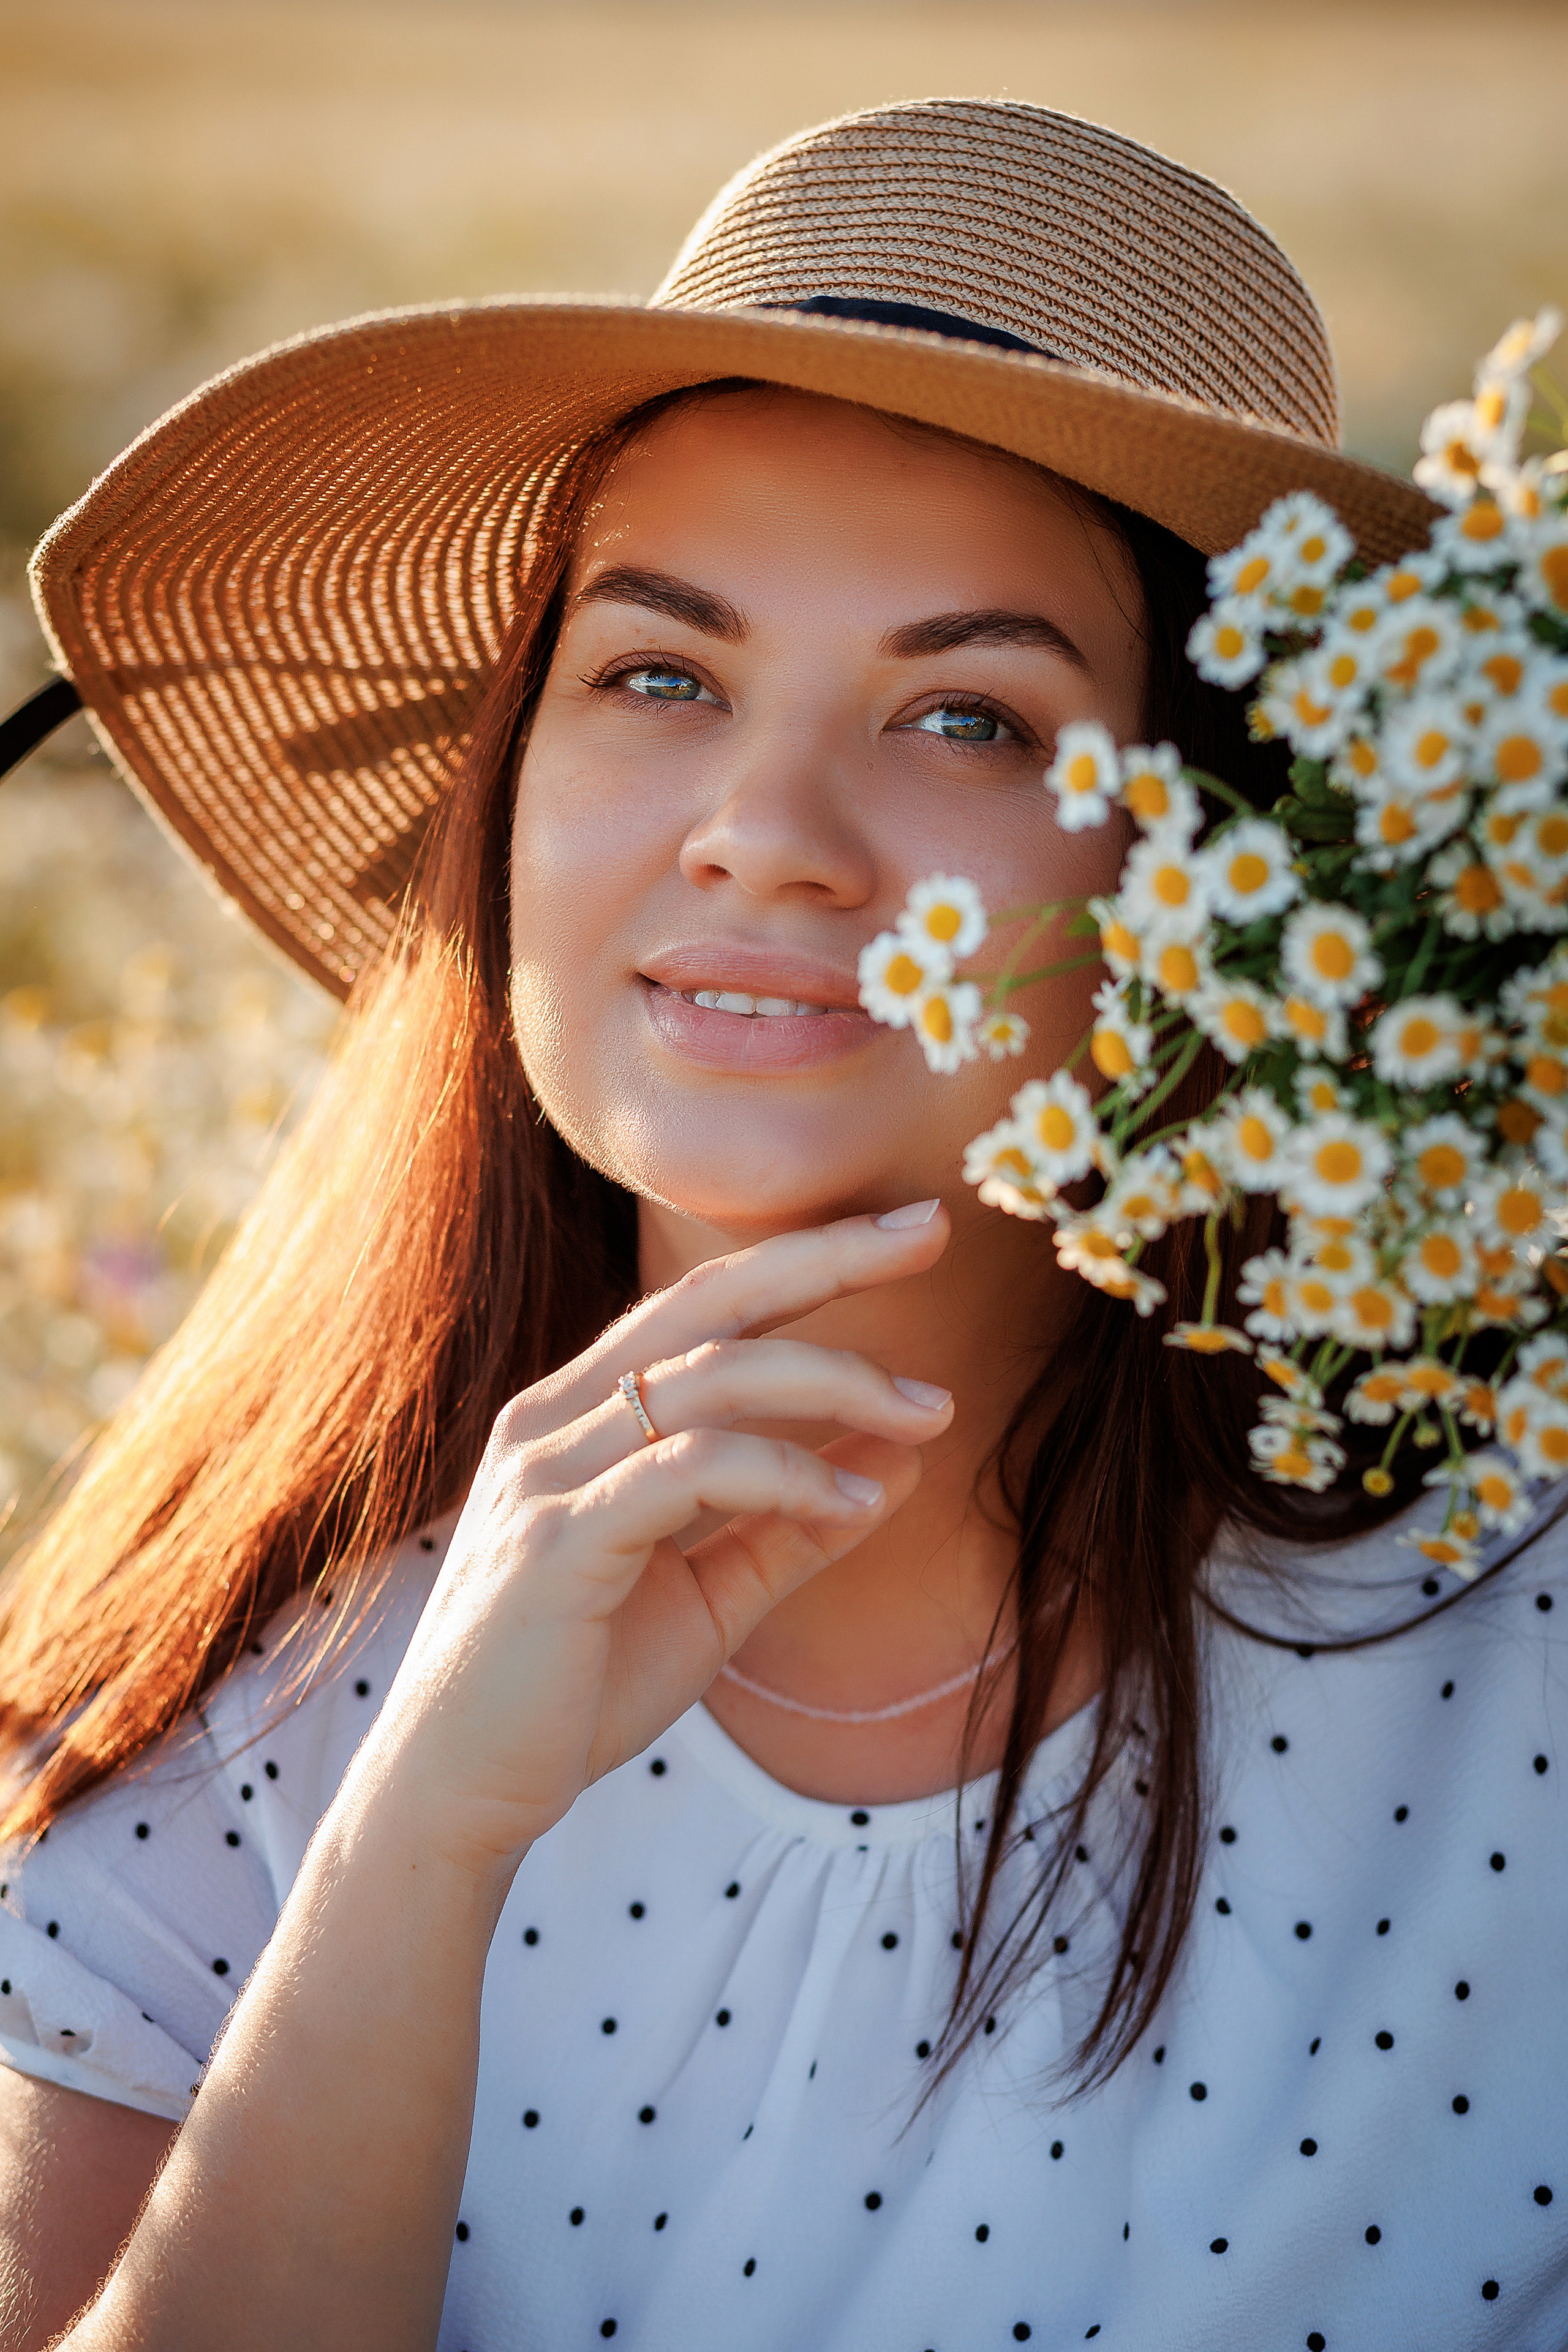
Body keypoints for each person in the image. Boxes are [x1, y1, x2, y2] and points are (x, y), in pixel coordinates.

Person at [0, 97, 1562, 2352]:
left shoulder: (1511, 1663)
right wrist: (416, 1852)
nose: (769, 832)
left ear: (1232, 889)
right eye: (659, 674)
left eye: (966, 714)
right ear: (514, 777)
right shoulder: (219, 1706)